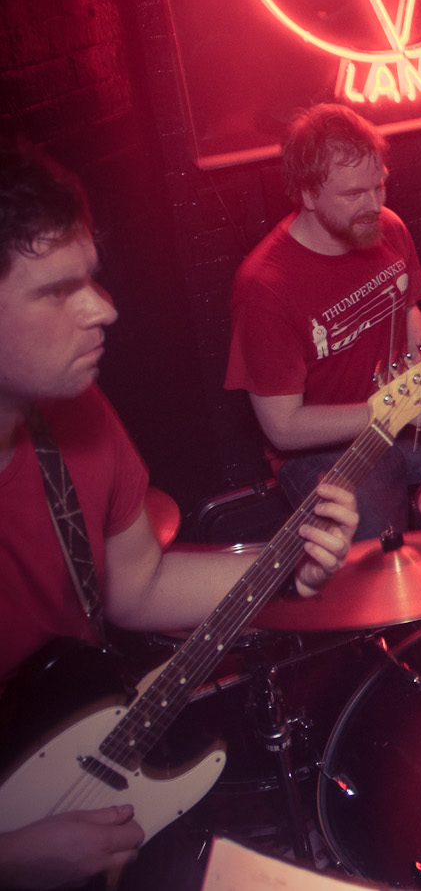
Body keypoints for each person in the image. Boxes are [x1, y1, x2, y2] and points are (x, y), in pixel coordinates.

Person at [0, 143, 356, 889]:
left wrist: (293, 564)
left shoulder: (75, 416)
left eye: (92, 277)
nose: (104, 308)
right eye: (58, 291)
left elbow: (140, 582)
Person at [225, 105, 421, 539]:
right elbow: (284, 427)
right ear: (307, 196)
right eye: (353, 195)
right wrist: (400, 410)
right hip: (325, 453)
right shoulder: (265, 288)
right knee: (380, 568)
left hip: (405, 423)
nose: (374, 205)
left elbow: (407, 310)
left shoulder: (388, 229)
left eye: (379, 186)